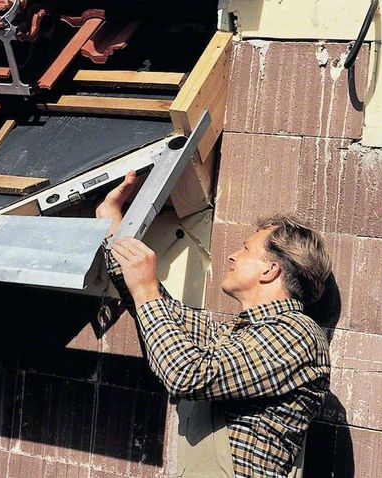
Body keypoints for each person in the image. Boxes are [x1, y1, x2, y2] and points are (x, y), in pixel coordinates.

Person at [96, 171, 331, 478]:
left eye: (245, 249)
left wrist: (145, 289)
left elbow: (186, 374)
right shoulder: (237, 333)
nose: (232, 256)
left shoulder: (297, 335)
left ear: (270, 270)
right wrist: (112, 224)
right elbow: (160, 316)